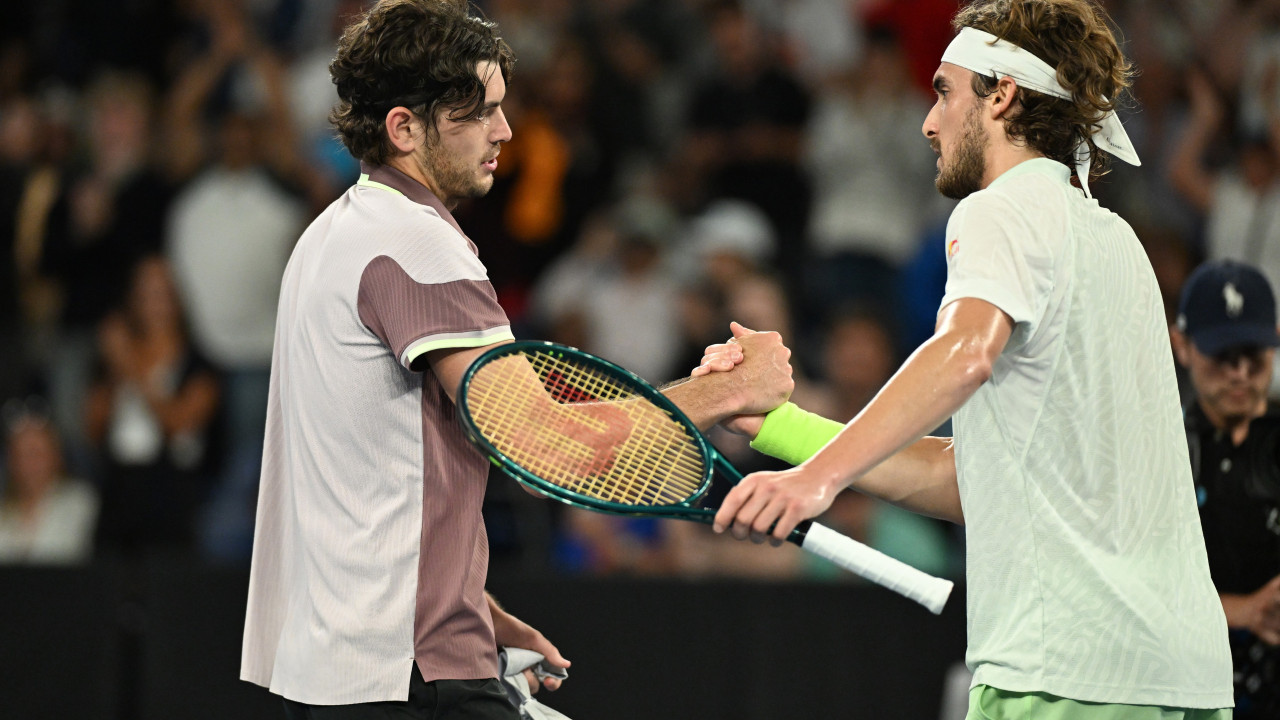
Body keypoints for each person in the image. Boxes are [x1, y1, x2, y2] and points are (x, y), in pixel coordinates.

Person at [239, 2, 793, 718]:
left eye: (502, 107)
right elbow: (547, 445)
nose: (504, 131)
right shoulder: (416, 245)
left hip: (331, 667)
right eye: (477, 113)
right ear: (404, 127)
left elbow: (360, 484)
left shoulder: (328, 239)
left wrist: (474, 604)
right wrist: (728, 391)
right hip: (406, 675)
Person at [699, 1, 1234, 717]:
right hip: (1182, 679)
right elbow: (970, 482)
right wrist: (784, 428)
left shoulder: (999, 209)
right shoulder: (1120, 245)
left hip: (1059, 677)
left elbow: (964, 353)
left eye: (944, 91)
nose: (929, 122)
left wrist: (813, 483)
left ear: (1002, 95)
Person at [1171, 259, 1280, 718]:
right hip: (1187, 692)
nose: (1239, 372)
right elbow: (1123, 580)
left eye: (1253, 353)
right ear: (1182, 346)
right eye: (1221, 354)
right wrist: (1239, 610)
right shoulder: (1160, 452)